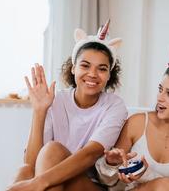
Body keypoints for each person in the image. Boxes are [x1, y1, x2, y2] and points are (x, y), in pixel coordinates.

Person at [7, 20, 128, 191]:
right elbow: (31, 165)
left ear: (109, 75)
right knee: (24, 171)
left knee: (52, 151)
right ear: (73, 68)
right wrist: (39, 111)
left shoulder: (114, 106)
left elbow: (90, 154)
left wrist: (39, 183)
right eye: (85, 65)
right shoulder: (56, 101)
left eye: (102, 69)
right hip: (49, 178)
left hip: (88, 185)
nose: (92, 74)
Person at [96, 47, 169, 191]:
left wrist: (144, 174)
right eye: (160, 89)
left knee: (167, 185)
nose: (159, 98)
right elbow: (107, 183)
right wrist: (111, 163)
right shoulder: (137, 123)